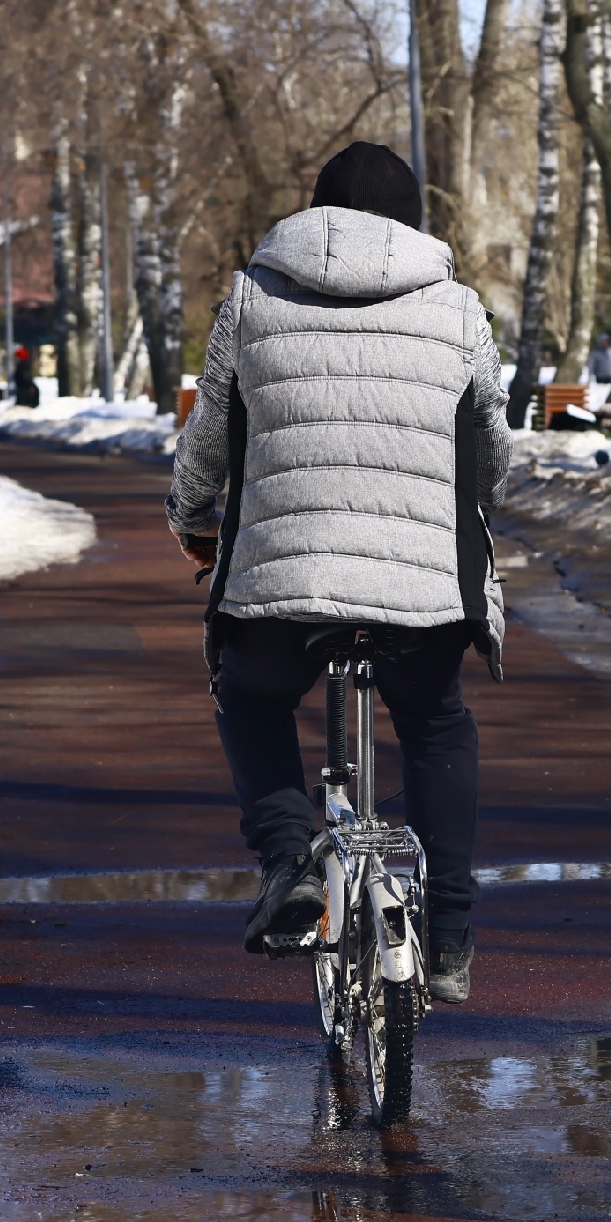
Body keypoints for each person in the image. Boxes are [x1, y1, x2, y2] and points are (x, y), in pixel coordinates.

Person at [168, 141, 511, 1006]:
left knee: (250, 693)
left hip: (281, 588)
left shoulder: (252, 298)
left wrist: (190, 518)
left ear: (314, 215)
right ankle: (452, 937)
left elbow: (211, 436)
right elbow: (491, 456)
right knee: (435, 722)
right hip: (421, 591)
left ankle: (289, 861)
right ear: (409, 223)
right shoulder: (459, 309)